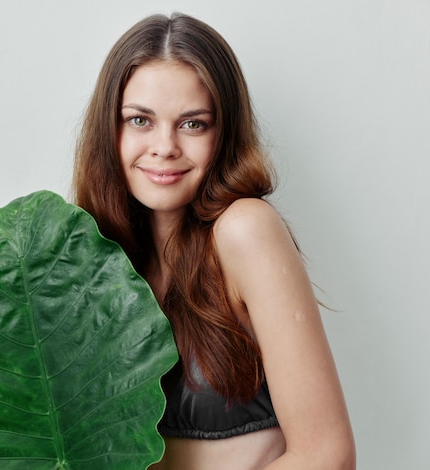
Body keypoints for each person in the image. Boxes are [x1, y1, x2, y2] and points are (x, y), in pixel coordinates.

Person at [73, 12, 355, 470]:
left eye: (192, 124)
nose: (164, 146)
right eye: (141, 120)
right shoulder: (97, 260)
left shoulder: (245, 230)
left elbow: (328, 456)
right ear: (110, 130)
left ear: (222, 134)